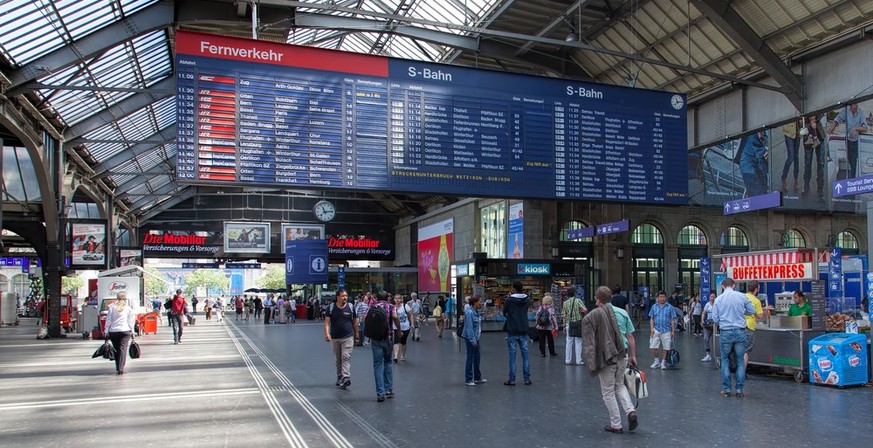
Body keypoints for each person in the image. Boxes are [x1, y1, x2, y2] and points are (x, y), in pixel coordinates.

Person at [581, 286, 638, 434]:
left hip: (607, 357)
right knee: (619, 386)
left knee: (608, 391)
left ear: (598, 299)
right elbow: (630, 336)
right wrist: (633, 356)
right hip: (623, 354)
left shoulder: (596, 314)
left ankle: (616, 424)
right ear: (611, 297)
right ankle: (630, 411)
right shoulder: (622, 312)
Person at [711, 277, 756, 398]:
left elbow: (715, 318)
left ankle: (726, 389)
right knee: (740, 360)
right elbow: (752, 310)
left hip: (725, 332)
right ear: (734, 285)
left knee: (725, 360)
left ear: (722, 286)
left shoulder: (719, 299)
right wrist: (741, 313)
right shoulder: (741, 296)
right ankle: (739, 390)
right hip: (740, 331)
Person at [368, 291, 400, 402]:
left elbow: (365, 320)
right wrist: (399, 330)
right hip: (388, 338)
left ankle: (380, 393)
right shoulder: (391, 306)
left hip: (376, 339)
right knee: (388, 362)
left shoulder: (373, 307)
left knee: (377, 365)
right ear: (387, 298)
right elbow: (395, 317)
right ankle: (389, 389)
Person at [324, 289, 358, 390]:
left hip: (348, 336)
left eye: (346, 296)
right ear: (338, 297)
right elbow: (326, 323)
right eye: (343, 296)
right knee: (338, 359)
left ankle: (346, 377)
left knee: (345, 357)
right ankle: (340, 376)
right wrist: (327, 333)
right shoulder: (331, 307)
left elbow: (355, 322)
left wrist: (357, 335)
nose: (345, 298)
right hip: (335, 337)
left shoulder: (351, 307)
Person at [503, 281, 532, 385]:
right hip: (523, 329)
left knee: (512, 356)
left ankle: (512, 379)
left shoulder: (509, 300)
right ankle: (527, 379)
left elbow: (504, 312)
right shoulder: (527, 299)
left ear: (514, 288)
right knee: (525, 355)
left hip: (512, 329)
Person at [828, 103, 868, 179]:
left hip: (856, 142)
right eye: (853, 106)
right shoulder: (845, 110)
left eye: (856, 106)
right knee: (850, 160)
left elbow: (865, 128)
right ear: (850, 106)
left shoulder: (861, 112)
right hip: (848, 141)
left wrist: (855, 128)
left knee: (854, 163)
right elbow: (838, 119)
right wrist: (832, 127)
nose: (855, 108)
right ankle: (852, 178)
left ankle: (853, 180)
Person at [104, 292, 137, 375]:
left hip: (113, 331)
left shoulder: (112, 308)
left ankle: (118, 366)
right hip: (125, 330)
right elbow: (130, 321)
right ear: (125, 299)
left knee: (116, 349)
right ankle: (121, 368)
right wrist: (133, 331)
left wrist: (106, 331)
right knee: (123, 349)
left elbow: (108, 320)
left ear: (117, 298)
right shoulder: (129, 308)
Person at [461, 295, 486, 386]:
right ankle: (468, 379)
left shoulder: (476, 312)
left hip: (476, 338)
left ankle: (477, 377)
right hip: (471, 339)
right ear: (475, 302)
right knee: (470, 358)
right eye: (480, 301)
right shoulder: (470, 313)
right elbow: (469, 328)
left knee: (477, 358)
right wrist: (473, 341)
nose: (481, 303)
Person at [648, 290, 676, 370]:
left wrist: (673, 330)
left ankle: (663, 362)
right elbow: (651, 318)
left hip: (666, 330)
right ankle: (656, 361)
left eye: (663, 297)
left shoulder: (670, 307)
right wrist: (652, 328)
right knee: (653, 346)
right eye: (660, 297)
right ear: (658, 298)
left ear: (665, 297)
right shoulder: (654, 307)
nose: (662, 298)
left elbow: (672, 319)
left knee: (666, 347)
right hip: (656, 329)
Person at [801, 114, 827, 196]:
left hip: (820, 136)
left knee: (821, 163)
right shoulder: (802, 103)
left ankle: (820, 188)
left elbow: (822, 112)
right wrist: (809, 119)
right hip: (808, 136)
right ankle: (806, 186)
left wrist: (815, 118)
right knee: (808, 163)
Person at [743, 280, 767, 370]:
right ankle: (742, 373)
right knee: (745, 352)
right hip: (749, 328)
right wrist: (766, 311)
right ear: (756, 289)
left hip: (739, 326)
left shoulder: (742, 297)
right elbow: (760, 316)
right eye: (759, 288)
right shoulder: (756, 301)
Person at [738, 131, 769, 197]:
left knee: (763, 192)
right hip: (744, 152)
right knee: (754, 190)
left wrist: (769, 147)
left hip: (761, 152)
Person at [562, 287, 587, 366]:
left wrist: (564, 325)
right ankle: (578, 360)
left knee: (569, 342)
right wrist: (579, 311)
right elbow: (585, 310)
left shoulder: (565, 303)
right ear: (575, 293)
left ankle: (568, 360)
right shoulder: (578, 301)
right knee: (578, 342)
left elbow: (564, 315)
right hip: (578, 323)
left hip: (569, 323)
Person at [392, 294, 414, 362]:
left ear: (401, 299)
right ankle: (395, 356)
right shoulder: (392, 307)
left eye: (399, 298)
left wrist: (412, 324)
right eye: (396, 298)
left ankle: (402, 355)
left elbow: (410, 315)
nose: (397, 300)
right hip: (395, 327)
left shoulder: (405, 306)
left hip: (405, 327)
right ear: (394, 299)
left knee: (403, 341)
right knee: (396, 341)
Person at [780, 120, 800, 192]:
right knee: (791, 156)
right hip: (789, 131)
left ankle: (796, 179)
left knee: (796, 157)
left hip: (798, 131)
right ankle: (783, 177)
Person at [700, 292, 717, 362]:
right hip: (708, 324)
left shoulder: (717, 304)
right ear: (709, 297)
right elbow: (704, 313)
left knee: (716, 340)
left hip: (716, 324)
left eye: (714, 297)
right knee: (706, 339)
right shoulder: (707, 304)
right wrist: (702, 320)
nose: (712, 298)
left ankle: (718, 355)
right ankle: (708, 355)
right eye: (711, 297)